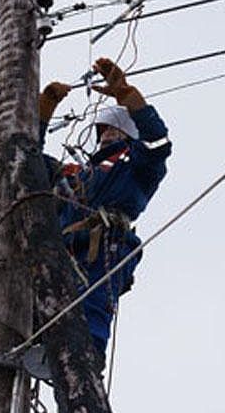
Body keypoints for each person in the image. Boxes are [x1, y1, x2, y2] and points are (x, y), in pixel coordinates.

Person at [38, 57, 172, 368]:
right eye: (104, 131)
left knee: (92, 312)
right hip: (64, 252)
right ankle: (34, 342)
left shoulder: (136, 164)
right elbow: (24, 161)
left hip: (106, 245)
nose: (108, 135)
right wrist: (41, 114)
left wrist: (129, 97)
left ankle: (88, 360)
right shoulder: (76, 175)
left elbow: (158, 142)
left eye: (115, 130)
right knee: (41, 308)